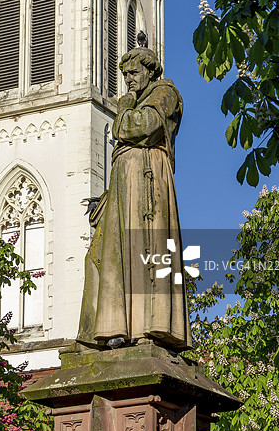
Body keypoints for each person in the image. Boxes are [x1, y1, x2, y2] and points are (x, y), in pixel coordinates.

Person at [76, 38, 192, 350]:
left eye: (134, 72)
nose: (128, 79)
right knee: (104, 254)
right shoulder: (139, 99)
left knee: (145, 248)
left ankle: (147, 326)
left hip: (146, 181)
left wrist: (125, 108)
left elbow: (138, 127)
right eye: (125, 74)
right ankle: (109, 327)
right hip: (124, 185)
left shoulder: (164, 93)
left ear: (150, 72)